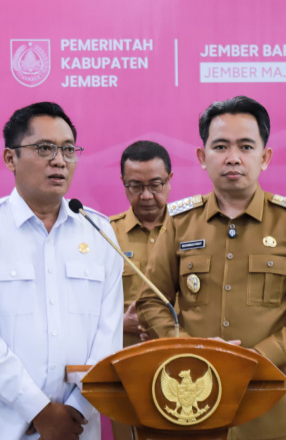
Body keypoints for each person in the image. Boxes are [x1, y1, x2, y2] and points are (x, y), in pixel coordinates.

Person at [136, 96, 286, 440]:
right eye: (220, 146)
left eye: (245, 146)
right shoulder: (180, 221)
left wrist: (262, 356)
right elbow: (152, 300)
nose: (233, 157)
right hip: (192, 406)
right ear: (202, 157)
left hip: (269, 408)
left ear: (265, 157)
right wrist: (187, 348)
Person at [0, 102, 123, 440]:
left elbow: (109, 334)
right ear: (10, 158)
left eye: (69, 150)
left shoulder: (98, 231)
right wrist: (39, 410)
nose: (59, 160)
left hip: (77, 426)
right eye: (44, 148)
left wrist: (76, 409)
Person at [109, 140, 173, 440]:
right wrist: (118, 322)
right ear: (123, 184)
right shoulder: (106, 234)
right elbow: (82, 305)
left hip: (181, 363)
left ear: (170, 180)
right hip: (126, 366)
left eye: (156, 185)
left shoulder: (191, 229)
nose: (147, 195)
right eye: (136, 186)